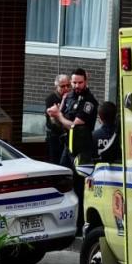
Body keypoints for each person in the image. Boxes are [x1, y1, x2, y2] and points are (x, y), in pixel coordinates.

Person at [56, 68, 99, 234]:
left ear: (86, 81)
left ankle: (80, 225)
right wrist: (58, 115)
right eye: (74, 82)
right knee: (63, 183)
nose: (76, 85)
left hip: (81, 151)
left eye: (80, 82)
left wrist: (58, 116)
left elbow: (74, 125)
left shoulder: (89, 101)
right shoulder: (69, 97)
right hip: (67, 147)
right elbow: (60, 119)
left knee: (80, 189)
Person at [44, 74, 71, 166]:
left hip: (67, 135)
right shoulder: (51, 98)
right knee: (55, 161)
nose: (66, 88)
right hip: (55, 135)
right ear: (56, 86)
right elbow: (53, 121)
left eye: (68, 85)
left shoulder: (71, 97)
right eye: (62, 86)